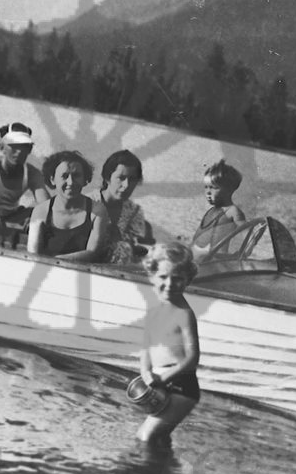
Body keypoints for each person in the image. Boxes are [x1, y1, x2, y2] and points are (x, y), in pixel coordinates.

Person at [137, 242, 201, 445]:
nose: (170, 284)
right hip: (159, 383)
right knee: (158, 438)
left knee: (146, 437)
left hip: (180, 385)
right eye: (163, 277)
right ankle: (165, 472)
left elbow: (192, 359)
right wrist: (145, 372)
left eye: (178, 278)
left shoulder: (184, 313)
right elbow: (146, 348)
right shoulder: (154, 311)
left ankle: (152, 472)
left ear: (188, 280)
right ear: (152, 277)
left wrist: (163, 378)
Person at [27, 150, 108, 262]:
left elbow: (92, 252)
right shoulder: (40, 211)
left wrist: (56, 261)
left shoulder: (97, 211)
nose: (70, 182)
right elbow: (32, 255)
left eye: (76, 176)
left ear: (85, 179)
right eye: (64, 176)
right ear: (52, 179)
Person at [96, 149, 154, 264]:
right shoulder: (86, 203)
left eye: (132, 179)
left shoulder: (134, 211)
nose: (126, 185)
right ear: (107, 178)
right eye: (121, 178)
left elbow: (132, 248)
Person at [190, 159, 248, 261]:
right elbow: (197, 238)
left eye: (213, 187)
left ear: (229, 189)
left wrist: (244, 252)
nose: (208, 192)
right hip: (199, 259)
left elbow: (249, 232)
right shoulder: (211, 211)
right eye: (206, 187)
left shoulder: (232, 211)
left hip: (215, 261)